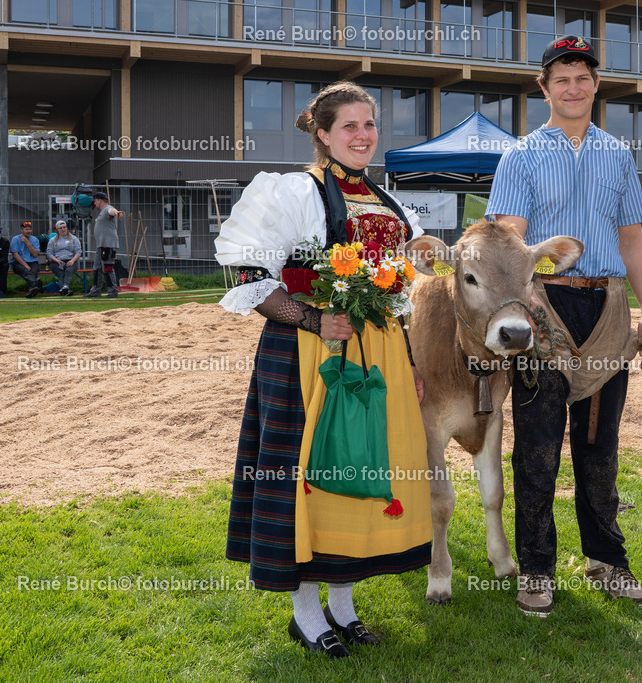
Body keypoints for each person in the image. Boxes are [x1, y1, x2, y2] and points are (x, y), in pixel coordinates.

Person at [215, 82, 431, 658]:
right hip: (307, 354)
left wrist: (409, 362)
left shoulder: (388, 203)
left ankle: (344, 606)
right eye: (350, 126)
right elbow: (248, 278)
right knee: (311, 475)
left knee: (362, 468)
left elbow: (396, 295)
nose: (363, 136)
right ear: (324, 133)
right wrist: (313, 320)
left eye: (369, 124)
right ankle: (306, 614)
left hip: (379, 352)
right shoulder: (294, 192)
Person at [487, 35, 642, 618]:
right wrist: (520, 302)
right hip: (544, 306)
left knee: (599, 447)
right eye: (561, 78)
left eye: (583, 77)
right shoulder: (521, 156)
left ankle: (607, 562)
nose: (573, 87)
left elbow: (632, 239)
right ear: (544, 88)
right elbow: (510, 239)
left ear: (596, 84)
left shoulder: (618, 155)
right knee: (537, 450)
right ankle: (537, 569)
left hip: (606, 309)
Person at [84, 192, 124, 298]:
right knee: (97, 269)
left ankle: (113, 291)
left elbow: (112, 211)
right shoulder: (101, 212)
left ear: (99, 200)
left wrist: (117, 213)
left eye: (95, 201)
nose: (94, 203)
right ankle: (95, 291)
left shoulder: (108, 209)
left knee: (107, 268)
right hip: (100, 245)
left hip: (108, 245)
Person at [46, 220, 82, 296]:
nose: (63, 229)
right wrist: (56, 260)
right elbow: (49, 253)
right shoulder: (52, 240)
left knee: (68, 271)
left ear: (67, 228)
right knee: (61, 273)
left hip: (71, 260)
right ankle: (66, 290)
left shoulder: (74, 239)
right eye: (60, 228)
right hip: (57, 261)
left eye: (64, 227)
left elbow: (78, 252)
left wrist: (72, 261)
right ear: (57, 230)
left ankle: (65, 287)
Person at [10, 221, 44, 298]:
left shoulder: (35, 240)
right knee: (25, 271)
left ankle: (32, 290)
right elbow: (15, 254)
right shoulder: (15, 239)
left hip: (32, 261)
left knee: (33, 272)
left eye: (30, 229)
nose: (28, 231)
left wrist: (27, 243)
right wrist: (25, 264)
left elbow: (35, 254)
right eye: (26, 229)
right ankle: (36, 284)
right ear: (21, 230)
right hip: (18, 262)